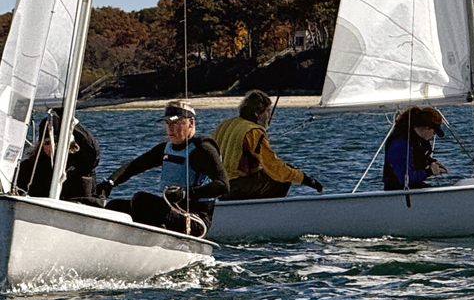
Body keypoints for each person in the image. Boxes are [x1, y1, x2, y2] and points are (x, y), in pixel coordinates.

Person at [101, 100, 229, 236]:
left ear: (190, 123)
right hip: (171, 211)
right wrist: (110, 182)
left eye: (175, 124)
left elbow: (223, 185)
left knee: (140, 200)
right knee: (114, 206)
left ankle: (156, 239)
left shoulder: (203, 150)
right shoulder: (165, 149)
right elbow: (134, 166)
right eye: (168, 124)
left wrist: (185, 193)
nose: (170, 129)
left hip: (194, 220)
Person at [211, 90, 323, 200]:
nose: (269, 116)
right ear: (257, 114)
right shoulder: (253, 132)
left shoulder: (224, 125)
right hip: (235, 187)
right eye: (267, 111)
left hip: (217, 186)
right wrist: (305, 179)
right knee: (284, 175)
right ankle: (268, 211)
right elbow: (273, 167)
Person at [15, 109, 102, 202]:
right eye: (47, 143)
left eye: (57, 142)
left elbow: (92, 149)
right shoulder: (30, 167)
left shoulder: (81, 162)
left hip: (76, 208)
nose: (52, 147)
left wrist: (67, 118)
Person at [383, 106, 450, 190]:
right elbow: (405, 179)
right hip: (397, 191)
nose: (434, 135)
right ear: (426, 128)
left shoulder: (419, 140)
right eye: (433, 132)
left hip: (412, 187)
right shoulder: (400, 144)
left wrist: (431, 162)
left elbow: (418, 156)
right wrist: (429, 172)